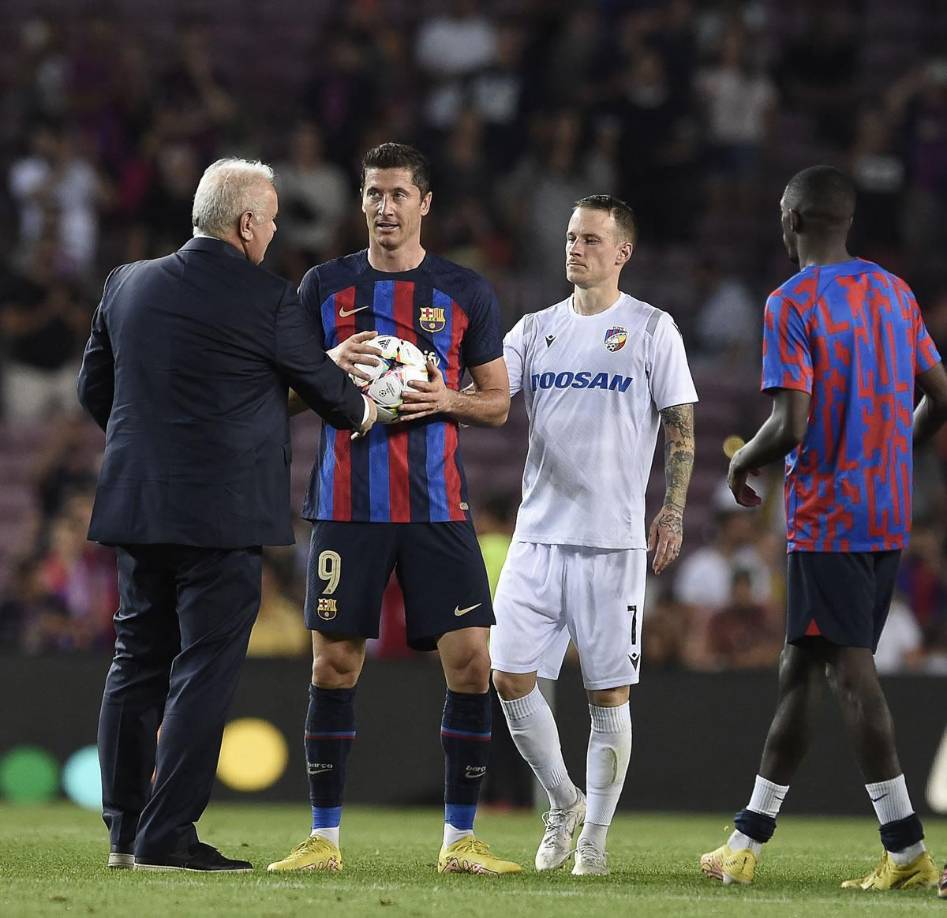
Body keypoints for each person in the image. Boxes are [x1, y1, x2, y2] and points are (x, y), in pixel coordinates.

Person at [78, 158, 374, 873]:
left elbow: (97, 391)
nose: (272, 232)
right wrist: (364, 392)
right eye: (270, 221)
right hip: (224, 519)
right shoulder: (267, 300)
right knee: (201, 673)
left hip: (138, 505)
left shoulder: (128, 283)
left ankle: (123, 834)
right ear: (247, 223)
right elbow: (336, 401)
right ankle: (166, 837)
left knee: (134, 666)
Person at [267, 143, 520, 876]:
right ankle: (323, 839)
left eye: (398, 194)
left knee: (471, 664)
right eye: (374, 194)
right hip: (347, 506)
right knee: (334, 666)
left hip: (436, 506)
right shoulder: (322, 285)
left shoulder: (463, 291)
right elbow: (280, 397)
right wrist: (325, 373)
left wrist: (447, 398)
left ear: (424, 203)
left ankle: (460, 841)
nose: (384, 207)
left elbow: (498, 402)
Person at [700, 165, 947, 891]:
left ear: (798, 219)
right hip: (885, 511)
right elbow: (939, 393)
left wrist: (740, 461)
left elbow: (790, 422)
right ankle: (746, 840)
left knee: (847, 671)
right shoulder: (893, 292)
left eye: (781, 213)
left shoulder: (789, 302)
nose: (778, 224)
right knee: (801, 666)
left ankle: (905, 853)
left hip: (828, 516)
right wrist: (893, 447)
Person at [491, 194, 698, 875]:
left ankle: (595, 842)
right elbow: (493, 399)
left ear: (622, 252)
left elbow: (680, 429)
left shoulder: (650, 329)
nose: (574, 248)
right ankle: (562, 802)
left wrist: (670, 512)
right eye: (571, 237)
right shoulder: (533, 329)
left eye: (589, 239)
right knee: (509, 675)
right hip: (536, 535)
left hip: (610, 540)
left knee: (605, 693)